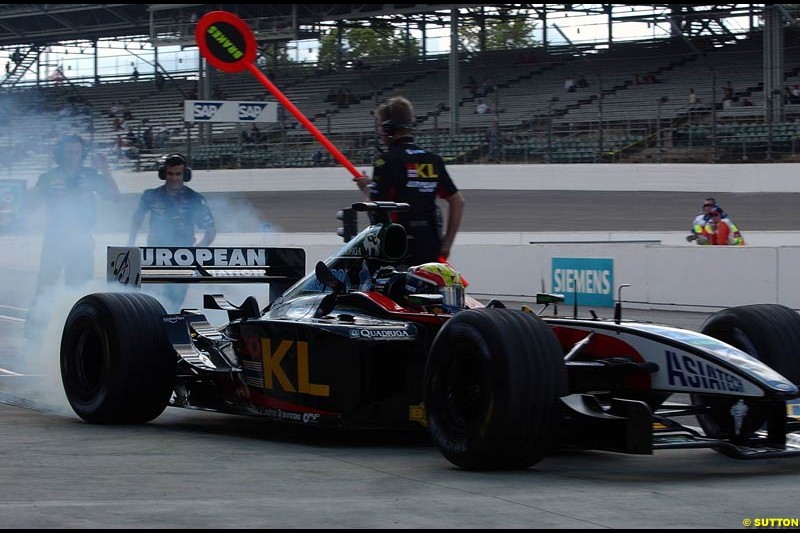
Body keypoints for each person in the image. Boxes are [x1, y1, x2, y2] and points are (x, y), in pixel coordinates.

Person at [25, 135, 119, 335]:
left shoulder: (90, 174)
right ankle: (32, 335)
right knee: (45, 288)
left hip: (81, 240)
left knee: (79, 290)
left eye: (77, 152)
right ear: (60, 154)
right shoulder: (49, 177)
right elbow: (31, 206)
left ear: (83, 153)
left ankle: (74, 332)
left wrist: (105, 170)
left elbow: (114, 196)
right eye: (69, 152)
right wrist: (33, 193)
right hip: (55, 240)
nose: (73, 156)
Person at [355, 95, 465, 265]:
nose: (380, 132)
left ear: (389, 127)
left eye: (380, 127)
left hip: (397, 245)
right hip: (431, 243)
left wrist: (366, 188)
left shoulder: (386, 161)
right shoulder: (433, 160)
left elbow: (375, 208)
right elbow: (457, 201)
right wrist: (447, 243)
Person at [128, 153, 216, 310]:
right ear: (163, 174)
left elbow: (210, 229)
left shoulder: (195, 199)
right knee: (148, 300)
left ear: (185, 175)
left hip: (182, 257)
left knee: (173, 302)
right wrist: (130, 243)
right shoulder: (150, 195)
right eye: (170, 173)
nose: (174, 178)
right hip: (154, 255)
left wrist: (197, 251)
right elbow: (136, 219)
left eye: (178, 174)